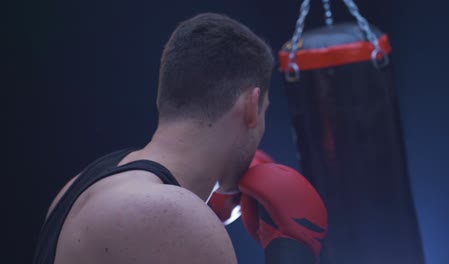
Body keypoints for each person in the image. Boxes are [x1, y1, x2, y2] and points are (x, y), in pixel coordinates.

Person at [33, 13, 327, 264]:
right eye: (265, 111)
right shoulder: (173, 217)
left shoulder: (81, 186)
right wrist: (290, 251)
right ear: (251, 106)